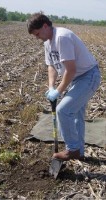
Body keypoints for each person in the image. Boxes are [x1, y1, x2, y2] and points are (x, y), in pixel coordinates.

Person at [27, 13, 101, 161]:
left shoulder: (62, 37)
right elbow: (51, 66)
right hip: (77, 79)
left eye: (37, 33)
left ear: (45, 26)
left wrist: (59, 92)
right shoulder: (47, 42)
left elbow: (71, 70)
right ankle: (79, 151)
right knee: (75, 115)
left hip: (88, 76)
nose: (37, 37)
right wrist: (51, 87)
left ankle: (72, 149)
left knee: (64, 110)